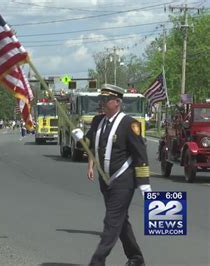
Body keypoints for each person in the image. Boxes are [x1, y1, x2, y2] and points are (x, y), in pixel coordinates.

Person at [73, 84, 151, 266]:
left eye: (106, 99)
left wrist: (144, 183)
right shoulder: (97, 121)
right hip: (105, 180)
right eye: (101, 99)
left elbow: (140, 155)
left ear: (117, 102)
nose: (101, 102)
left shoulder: (129, 124)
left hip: (124, 180)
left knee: (111, 220)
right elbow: (89, 145)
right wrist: (80, 138)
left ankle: (97, 261)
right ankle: (136, 258)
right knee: (121, 221)